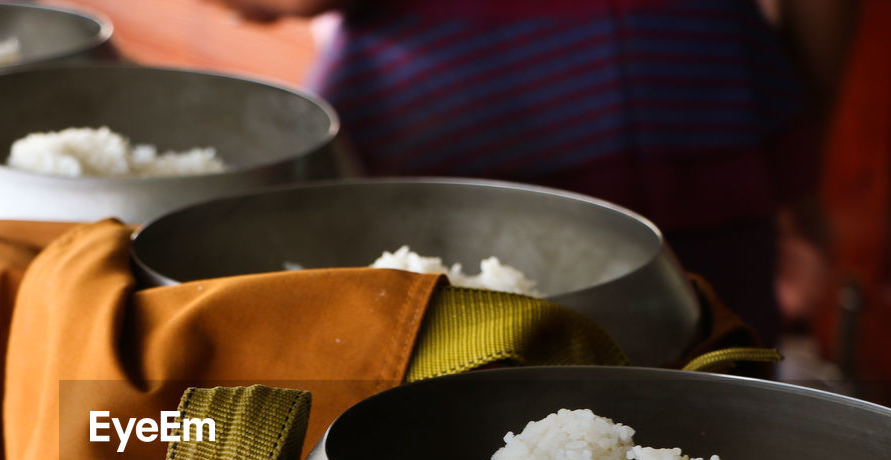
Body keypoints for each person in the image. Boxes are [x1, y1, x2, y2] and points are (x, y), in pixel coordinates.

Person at [202, 0, 858, 349]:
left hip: (445, 112)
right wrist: (802, 133)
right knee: (713, 424)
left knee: (427, 429)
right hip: (693, 101)